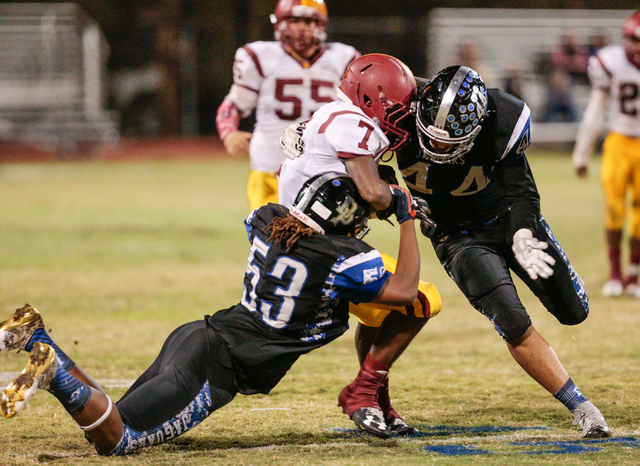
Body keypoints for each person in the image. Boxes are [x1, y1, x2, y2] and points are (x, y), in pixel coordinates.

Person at [281, 64, 611, 439]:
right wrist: (310, 129)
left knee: (573, 313)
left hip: (507, 221)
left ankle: (558, 280)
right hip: (455, 236)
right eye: (430, 139)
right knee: (512, 321)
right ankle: (582, 407)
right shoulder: (407, 105)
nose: (437, 148)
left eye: (448, 143)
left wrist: (523, 231)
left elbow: (521, 189)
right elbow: (365, 89)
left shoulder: (502, 120)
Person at [0, 172, 424, 455]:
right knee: (117, 440)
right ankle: (53, 370)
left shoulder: (269, 219)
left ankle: (38, 337)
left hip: (197, 335)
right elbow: (404, 290)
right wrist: (406, 220)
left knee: (112, 413)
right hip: (219, 366)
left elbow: (294, 234)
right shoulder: (344, 257)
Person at [278, 53, 442, 438]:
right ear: (371, 101)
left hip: (301, 244)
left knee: (377, 313)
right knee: (419, 300)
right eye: (398, 110)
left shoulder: (331, 114)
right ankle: (363, 392)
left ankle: (376, 400)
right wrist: (406, 203)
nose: (403, 118)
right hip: (317, 251)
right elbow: (373, 192)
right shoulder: (353, 122)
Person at [215, 0, 359, 211]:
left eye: (308, 21)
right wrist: (228, 132)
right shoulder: (259, 56)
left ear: (321, 24)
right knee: (273, 239)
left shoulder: (344, 58)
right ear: (280, 23)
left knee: (330, 240)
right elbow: (235, 103)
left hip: (327, 171)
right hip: (271, 167)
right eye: (294, 20)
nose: (301, 27)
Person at [572, 10, 640, 299]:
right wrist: (581, 153)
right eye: (631, 39)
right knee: (615, 209)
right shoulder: (610, 62)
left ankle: (633, 274)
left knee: (639, 213)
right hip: (619, 141)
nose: (634, 46)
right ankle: (615, 273)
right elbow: (595, 110)